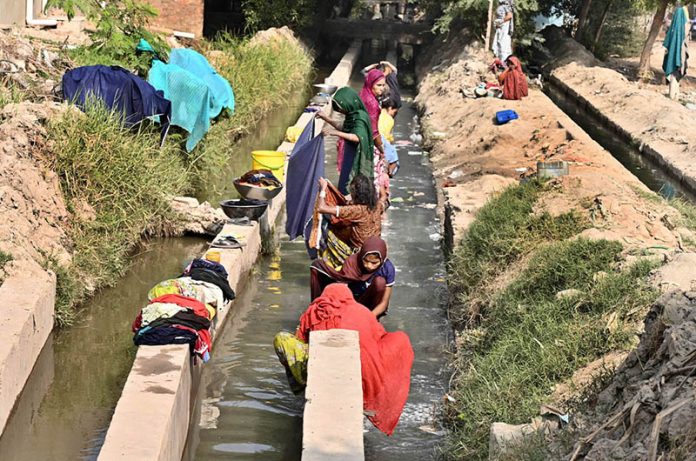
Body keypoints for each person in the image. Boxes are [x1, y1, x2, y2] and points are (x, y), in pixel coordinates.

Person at [274, 283, 414, 435]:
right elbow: (379, 337)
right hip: (362, 374)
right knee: (397, 339)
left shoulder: (315, 310)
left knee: (282, 339)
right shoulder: (364, 312)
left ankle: (303, 385)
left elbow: (300, 338)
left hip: (325, 370)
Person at [310, 236, 395, 318]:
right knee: (317, 266)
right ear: (362, 255)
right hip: (350, 302)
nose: (369, 266)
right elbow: (342, 290)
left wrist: (369, 318)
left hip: (368, 305)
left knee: (380, 282)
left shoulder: (387, 268)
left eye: (374, 263)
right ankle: (316, 310)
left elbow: (383, 303)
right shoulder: (352, 262)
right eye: (365, 261)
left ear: (382, 259)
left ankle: (371, 318)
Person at [316, 87, 374, 194]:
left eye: (341, 108)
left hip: (356, 156)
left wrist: (335, 133)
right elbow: (344, 128)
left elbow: (357, 138)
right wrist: (326, 118)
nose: (340, 111)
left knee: (353, 186)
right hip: (349, 154)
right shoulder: (351, 115)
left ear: (349, 103)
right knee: (345, 182)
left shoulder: (360, 117)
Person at [316, 174, 387, 250]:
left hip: (360, 250)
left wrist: (323, 189)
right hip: (377, 247)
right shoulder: (378, 205)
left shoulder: (357, 210)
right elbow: (383, 198)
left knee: (326, 222)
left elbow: (321, 208)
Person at [664, 5, 690, 100]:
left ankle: (674, 96)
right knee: (675, 73)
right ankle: (673, 97)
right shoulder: (680, 31)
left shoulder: (673, 30)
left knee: (674, 73)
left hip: (674, 57)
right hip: (677, 58)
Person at [359, 68, 387, 156]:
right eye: (379, 85)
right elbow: (373, 131)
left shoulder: (362, 94)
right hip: (364, 143)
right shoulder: (372, 103)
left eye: (383, 85)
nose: (382, 88)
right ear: (371, 84)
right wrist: (382, 151)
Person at [379, 98, 400, 176]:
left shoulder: (377, 112)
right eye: (395, 112)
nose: (394, 115)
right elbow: (387, 137)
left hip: (375, 138)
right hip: (382, 141)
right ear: (390, 108)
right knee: (395, 160)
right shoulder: (390, 119)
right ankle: (390, 172)